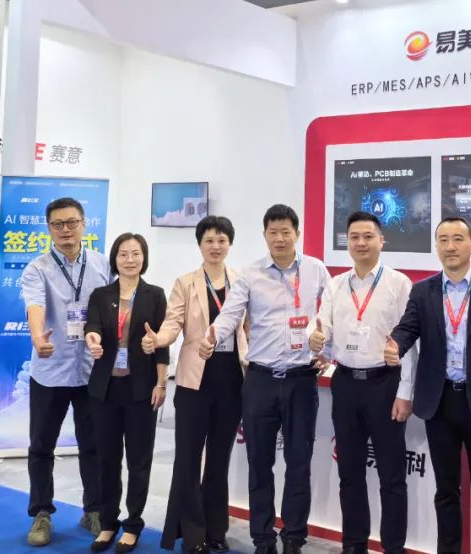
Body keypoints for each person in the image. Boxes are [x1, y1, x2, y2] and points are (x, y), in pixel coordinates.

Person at [200, 204, 330, 554]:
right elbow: (230, 314)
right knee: (259, 463)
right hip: (260, 381)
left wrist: (328, 349)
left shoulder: (316, 270)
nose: (280, 238)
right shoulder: (251, 274)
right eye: (273, 232)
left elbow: (331, 315)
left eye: (286, 231)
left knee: (299, 462)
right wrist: (213, 335)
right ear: (264, 236)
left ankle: (294, 538)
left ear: (297, 234)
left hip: (301, 379)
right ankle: (263, 538)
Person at [384, 217, 471, 554]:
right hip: (440, 402)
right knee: (446, 489)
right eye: (443, 240)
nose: (450, 246)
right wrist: (396, 345)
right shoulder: (423, 290)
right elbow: (408, 328)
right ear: (436, 247)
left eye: (457, 239)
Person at [310, 211, 417, 554]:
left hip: (385, 385)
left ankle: (393, 548)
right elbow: (323, 332)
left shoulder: (399, 284)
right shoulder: (335, 285)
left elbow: (410, 342)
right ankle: (353, 545)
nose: (361, 243)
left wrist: (405, 392)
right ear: (347, 242)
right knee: (350, 473)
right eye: (354, 237)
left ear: (381, 241)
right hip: (345, 384)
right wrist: (317, 341)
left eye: (368, 236)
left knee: (392, 476)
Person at [152, 216, 249, 554]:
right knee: (189, 458)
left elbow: (248, 328)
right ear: (199, 244)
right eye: (209, 240)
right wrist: (159, 339)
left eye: (221, 240)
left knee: (220, 458)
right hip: (195, 381)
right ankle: (193, 534)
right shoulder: (186, 283)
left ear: (230, 244)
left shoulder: (241, 281)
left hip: (232, 380)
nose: (215, 246)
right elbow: (172, 323)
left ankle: (216, 529)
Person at [20, 196, 108, 547]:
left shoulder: (102, 265)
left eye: (71, 222)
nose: (65, 230)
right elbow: (35, 304)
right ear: (49, 229)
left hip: (90, 370)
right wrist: (37, 335)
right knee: (42, 446)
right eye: (58, 224)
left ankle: (94, 510)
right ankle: (41, 513)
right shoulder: (37, 269)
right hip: (50, 370)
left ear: (84, 224)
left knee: (93, 445)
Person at [84, 233, 170, 553]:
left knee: (138, 460)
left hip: (141, 390)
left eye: (135, 253)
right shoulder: (101, 294)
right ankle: (108, 522)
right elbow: (92, 326)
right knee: (107, 459)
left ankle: (133, 524)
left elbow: (161, 344)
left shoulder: (155, 295)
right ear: (115, 259)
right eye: (123, 254)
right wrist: (93, 340)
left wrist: (161, 383)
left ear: (144, 258)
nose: (129, 259)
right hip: (105, 390)